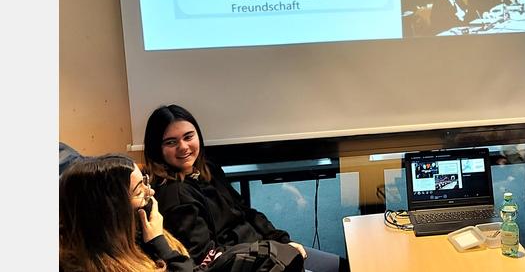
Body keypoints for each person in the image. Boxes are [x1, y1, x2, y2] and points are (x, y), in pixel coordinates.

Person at [143, 105, 343, 272]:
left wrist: (282, 241)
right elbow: (209, 259)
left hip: (268, 250)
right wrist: (273, 252)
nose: (183, 147)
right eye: (171, 142)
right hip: (255, 262)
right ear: (157, 149)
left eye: (188, 137)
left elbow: (246, 212)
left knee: (343, 266)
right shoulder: (174, 195)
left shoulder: (208, 169)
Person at [60, 154, 195, 272]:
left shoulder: (139, 235)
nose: (150, 192)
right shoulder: (89, 265)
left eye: (144, 182)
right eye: (138, 191)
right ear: (111, 212)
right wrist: (158, 242)